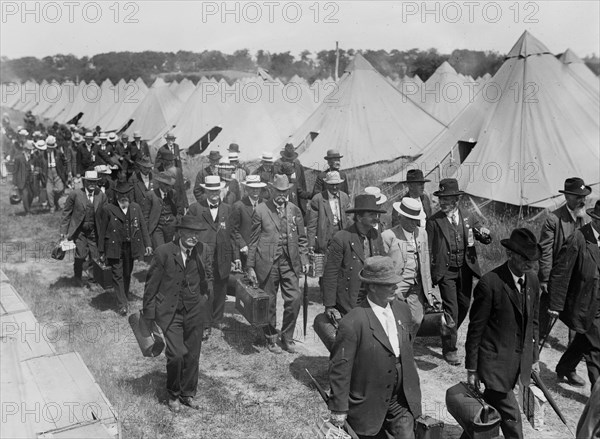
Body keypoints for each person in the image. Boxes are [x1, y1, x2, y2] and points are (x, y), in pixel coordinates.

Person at [328, 255, 422, 439]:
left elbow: (407, 350)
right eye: (389, 284)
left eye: (396, 282)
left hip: (400, 400)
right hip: (367, 401)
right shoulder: (353, 322)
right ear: (371, 286)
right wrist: (339, 408)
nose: (395, 287)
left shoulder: (402, 310)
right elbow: (340, 369)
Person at [465, 228, 541, 439]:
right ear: (510, 254)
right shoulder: (490, 283)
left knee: (485, 417)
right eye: (525, 258)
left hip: (517, 363)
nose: (530, 264)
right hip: (494, 365)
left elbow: (533, 323)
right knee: (512, 417)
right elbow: (475, 329)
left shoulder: (532, 281)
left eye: (533, 260)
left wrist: (534, 358)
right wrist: (472, 368)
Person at [142, 215, 212, 413]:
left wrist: (206, 313)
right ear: (180, 232)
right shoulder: (163, 252)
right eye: (189, 232)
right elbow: (151, 286)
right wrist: (149, 317)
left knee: (192, 355)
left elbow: (207, 281)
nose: (193, 237)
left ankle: (187, 393)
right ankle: (173, 394)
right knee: (176, 355)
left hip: (195, 311)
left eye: (196, 233)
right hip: (170, 313)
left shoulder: (203, 250)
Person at [426, 178, 492, 366]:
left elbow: (484, 236)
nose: (443, 203)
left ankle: (447, 331)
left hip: (465, 269)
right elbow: (428, 250)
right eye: (441, 199)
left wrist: (485, 234)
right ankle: (450, 349)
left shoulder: (468, 217)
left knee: (464, 306)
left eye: (447, 199)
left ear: (456, 200)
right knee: (451, 310)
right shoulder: (434, 221)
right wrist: (429, 274)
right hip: (446, 271)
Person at [246, 174, 309, 353]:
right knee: (269, 302)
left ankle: (287, 337)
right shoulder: (260, 210)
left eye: (285, 191)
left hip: (289, 262)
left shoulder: (295, 210)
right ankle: (271, 338)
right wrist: (250, 266)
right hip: (267, 262)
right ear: (271, 190)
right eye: (278, 191)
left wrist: (304, 259)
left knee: (294, 299)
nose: (281, 194)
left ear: (288, 191)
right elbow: (253, 240)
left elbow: (302, 238)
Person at [538, 177, 591, 386]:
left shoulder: (586, 218)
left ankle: (568, 367)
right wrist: (545, 278)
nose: (582, 201)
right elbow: (546, 251)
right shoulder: (554, 219)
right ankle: (531, 362)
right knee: (543, 321)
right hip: (558, 279)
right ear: (567, 196)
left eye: (583, 197)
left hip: (578, 281)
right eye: (578, 197)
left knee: (579, 325)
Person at [548, 200, 600, 388]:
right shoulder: (579, 238)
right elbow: (561, 272)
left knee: (584, 339)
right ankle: (598, 398)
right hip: (585, 303)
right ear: (595, 220)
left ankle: (565, 367)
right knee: (597, 348)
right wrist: (555, 304)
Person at [322, 194, 386, 324]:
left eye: (376, 214)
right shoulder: (342, 238)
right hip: (350, 296)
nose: (376, 218)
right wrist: (329, 305)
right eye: (371, 214)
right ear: (359, 217)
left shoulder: (375, 236)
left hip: (372, 294)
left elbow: (382, 263)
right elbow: (330, 273)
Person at [188, 176, 235, 334]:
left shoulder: (228, 209)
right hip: (202, 255)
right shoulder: (196, 208)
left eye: (216, 190)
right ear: (206, 191)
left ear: (220, 191)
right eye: (211, 191)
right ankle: (205, 324)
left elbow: (233, 233)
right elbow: (187, 229)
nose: (214, 193)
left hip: (223, 255)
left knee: (221, 287)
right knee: (206, 288)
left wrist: (235, 256)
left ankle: (217, 319)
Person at [98, 181, 152, 316]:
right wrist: (101, 251)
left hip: (131, 247)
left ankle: (124, 296)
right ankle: (122, 304)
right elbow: (102, 230)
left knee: (127, 273)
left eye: (126, 194)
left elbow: (143, 226)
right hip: (114, 247)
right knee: (117, 275)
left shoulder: (135, 208)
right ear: (116, 194)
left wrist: (148, 244)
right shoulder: (108, 209)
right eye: (121, 194)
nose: (124, 197)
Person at [382, 198, 437, 331]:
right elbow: (382, 266)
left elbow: (425, 262)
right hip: (397, 285)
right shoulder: (388, 236)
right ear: (401, 217)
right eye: (410, 219)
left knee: (416, 320)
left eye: (416, 219)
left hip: (417, 284)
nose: (414, 223)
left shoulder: (422, 233)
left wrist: (429, 290)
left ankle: (406, 346)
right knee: (396, 319)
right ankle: (397, 349)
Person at [60, 171, 107, 286]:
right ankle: (77, 277)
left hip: (94, 231)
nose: (92, 184)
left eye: (94, 182)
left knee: (95, 256)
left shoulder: (101, 195)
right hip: (80, 231)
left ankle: (93, 278)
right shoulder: (75, 194)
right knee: (80, 255)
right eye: (90, 181)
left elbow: (106, 215)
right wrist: (63, 231)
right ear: (85, 181)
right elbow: (66, 213)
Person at [230, 175, 266, 270]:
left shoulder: (266, 204)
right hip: (246, 251)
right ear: (246, 189)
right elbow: (234, 230)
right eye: (252, 188)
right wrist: (243, 245)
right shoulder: (239, 206)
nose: (255, 191)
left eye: (257, 188)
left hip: (264, 250)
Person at [147, 172, 185, 248]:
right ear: (159, 184)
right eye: (166, 185)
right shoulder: (151, 195)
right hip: (157, 227)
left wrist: (177, 221)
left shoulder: (173, 193)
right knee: (160, 249)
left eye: (170, 186)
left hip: (171, 226)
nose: (169, 188)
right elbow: (145, 216)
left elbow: (179, 209)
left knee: (170, 249)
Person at [274, 143, 310, 216]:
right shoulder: (279, 167)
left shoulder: (298, 166)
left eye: (291, 159)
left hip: (297, 195)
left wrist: (305, 200)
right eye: (287, 159)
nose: (289, 161)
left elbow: (302, 182)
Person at [43, 136, 68, 212]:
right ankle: (52, 206)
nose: (49, 149)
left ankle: (57, 203)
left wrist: (64, 171)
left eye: (51, 147)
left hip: (57, 173)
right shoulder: (44, 154)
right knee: (49, 191)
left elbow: (65, 162)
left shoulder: (59, 153)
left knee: (59, 189)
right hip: (48, 173)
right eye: (48, 147)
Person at [130, 156, 154, 225]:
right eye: (145, 168)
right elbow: (132, 200)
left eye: (149, 168)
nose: (147, 170)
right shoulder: (133, 180)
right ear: (140, 167)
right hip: (140, 215)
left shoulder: (155, 178)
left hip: (153, 216)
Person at [12, 138, 34, 215]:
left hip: (29, 180)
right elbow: (15, 171)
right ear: (25, 149)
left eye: (31, 150)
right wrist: (14, 183)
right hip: (21, 180)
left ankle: (29, 208)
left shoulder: (31, 157)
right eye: (28, 150)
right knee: (25, 195)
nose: (30, 151)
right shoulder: (18, 158)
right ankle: (27, 211)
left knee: (31, 195)